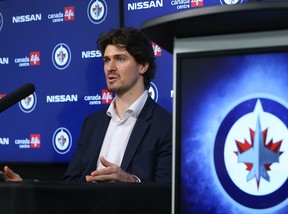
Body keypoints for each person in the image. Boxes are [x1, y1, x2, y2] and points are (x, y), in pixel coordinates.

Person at [0, 27, 172, 183]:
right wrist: (26, 187)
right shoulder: (92, 123)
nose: (110, 68)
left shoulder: (166, 125)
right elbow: (70, 186)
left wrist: (131, 182)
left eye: (120, 59)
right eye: (106, 60)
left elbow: (168, 195)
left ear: (142, 66)